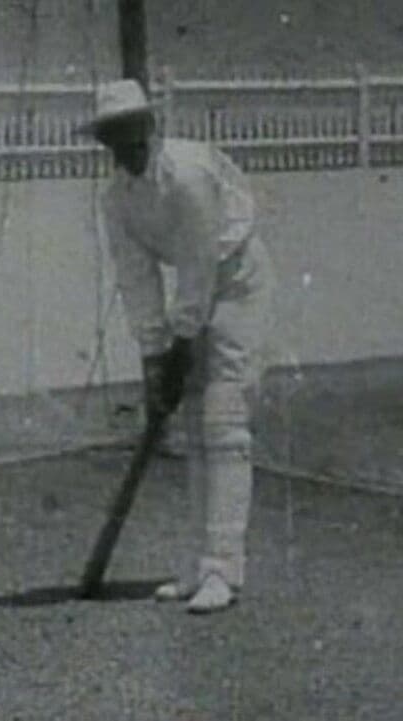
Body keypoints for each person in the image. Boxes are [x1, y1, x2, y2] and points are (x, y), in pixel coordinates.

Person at [80, 79, 276, 613]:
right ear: (105, 141)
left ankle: (224, 572)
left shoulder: (188, 176)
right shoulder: (116, 199)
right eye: (113, 135)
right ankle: (196, 566)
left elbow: (197, 264)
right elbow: (137, 279)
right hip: (199, 285)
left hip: (237, 281)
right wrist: (152, 358)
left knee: (224, 422)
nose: (126, 145)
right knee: (192, 430)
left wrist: (181, 345)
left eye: (133, 130)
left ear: (150, 126)